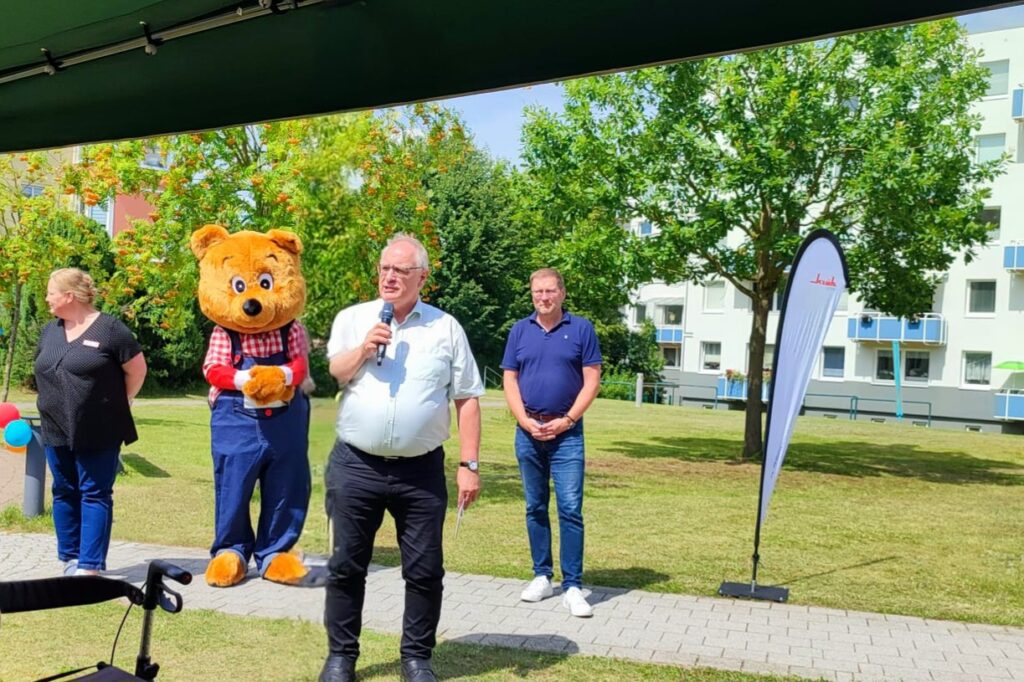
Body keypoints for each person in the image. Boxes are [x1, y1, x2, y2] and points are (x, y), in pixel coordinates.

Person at [320, 234, 483, 682]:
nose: (389, 277)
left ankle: (416, 658)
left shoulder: (445, 328)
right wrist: (365, 348)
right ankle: (341, 658)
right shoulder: (354, 319)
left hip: (421, 471)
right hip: (355, 465)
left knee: (425, 569)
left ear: (422, 278)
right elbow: (336, 370)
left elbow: (467, 399)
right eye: (384, 269)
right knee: (346, 566)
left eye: (400, 270)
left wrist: (469, 465)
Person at [501, 268, 601, 617]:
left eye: (549, 291)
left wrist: (568, 420)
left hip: (568, 435)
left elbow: (592, 381)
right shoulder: (519, 330)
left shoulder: (581, 329)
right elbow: (509, 380)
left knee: (570, 509)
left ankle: (573, 585)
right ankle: (542, 575)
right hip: (528, 432)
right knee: (535, 506)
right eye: (537, 292)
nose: (543, 298)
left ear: (562, 293)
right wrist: (524, 420)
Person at [34, 268, 147, 576]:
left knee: (95, 493)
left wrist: (119, 403)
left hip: (99, 427)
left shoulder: (111, 330)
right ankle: (68, 558)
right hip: (55, 427)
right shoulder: (50, 331)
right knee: (63, 490)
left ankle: (90, 566)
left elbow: (137, 371)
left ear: (69, 296)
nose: (47, 298)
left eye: (51, 293)